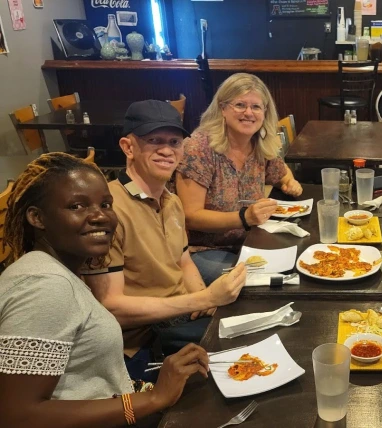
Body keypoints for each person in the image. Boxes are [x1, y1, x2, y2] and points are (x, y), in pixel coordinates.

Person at [0, 153, 210, 427]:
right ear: (37, 218)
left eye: (106, 204)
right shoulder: (44, 286)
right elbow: (17, 416)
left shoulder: (60, 271)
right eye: (77, 206)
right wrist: (155, 398)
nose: (100, 216)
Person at [82, 100, 247, 381]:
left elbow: (183, 262)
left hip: (179, 314)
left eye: (174, 142)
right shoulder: (107, 212)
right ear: (128, 147)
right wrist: (203, 298)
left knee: (251, 323)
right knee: (241, 348)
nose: (167, 150)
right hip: (143, 339)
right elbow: (111, 307)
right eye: (153, 140)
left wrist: (205, 303)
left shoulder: (171, 201)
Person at [175, 73, 303, 284]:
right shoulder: (199, 148)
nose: (248, 113)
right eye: (240, 105)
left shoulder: (259, 144)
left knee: (297, 266)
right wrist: (244, 218)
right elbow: (190, 215)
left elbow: (281, 172)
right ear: (223, 109)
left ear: (265, 113)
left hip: (250, 242)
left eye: (256, 107)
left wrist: (289, 182)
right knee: (266, 282)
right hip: (202, 251)